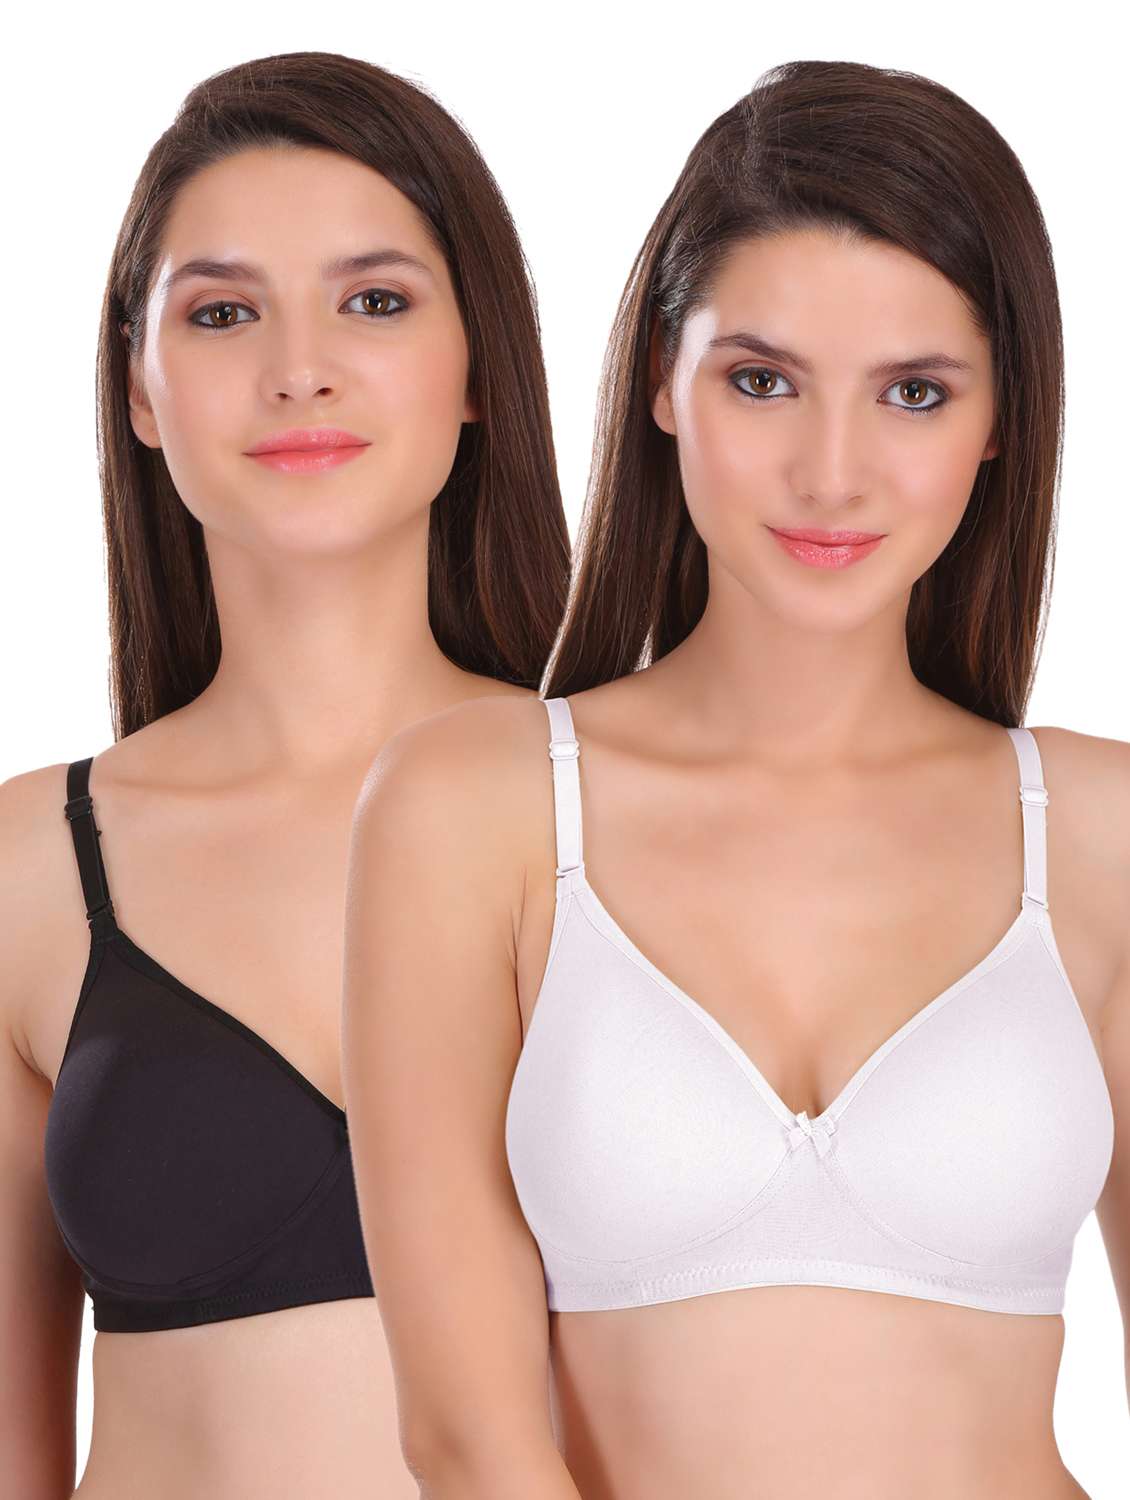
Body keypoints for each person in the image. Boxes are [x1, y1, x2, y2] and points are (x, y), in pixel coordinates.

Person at [343, 58, 1128, 1499]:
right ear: (663, 378)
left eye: (913, 393)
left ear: (1002, 418)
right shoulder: (474, 808)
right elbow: (467, 1437)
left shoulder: (1101, 832)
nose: (831, 473)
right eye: (761, 381)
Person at [0, 49, 569, 1500]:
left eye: (374, 301)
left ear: (478, 368)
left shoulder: (629, 806)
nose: (297, 366)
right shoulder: (32, 866)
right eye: (222, 312)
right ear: (139, 389)